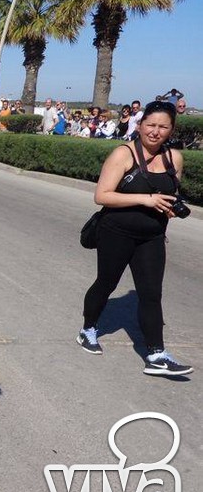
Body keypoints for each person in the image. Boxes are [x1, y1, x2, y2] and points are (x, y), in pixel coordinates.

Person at [77, 101, 192, 377]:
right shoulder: (123, 154)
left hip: (152, 236)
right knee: (106, 283)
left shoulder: (174, 158)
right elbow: (102, 196)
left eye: (163, 127)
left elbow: (171, 193)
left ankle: (156, 355)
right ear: (140, 125)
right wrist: (146, 199)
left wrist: (171, 208)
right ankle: (88, 329)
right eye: (150, 125)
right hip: (115, 232)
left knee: (151, 293)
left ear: (171, 129)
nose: (155, 131)